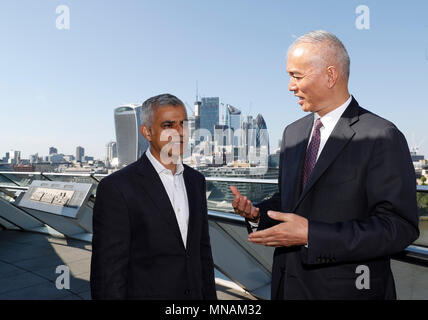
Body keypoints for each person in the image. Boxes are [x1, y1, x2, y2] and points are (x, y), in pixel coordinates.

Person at [231, 30, 419, 300]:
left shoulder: (382, 136)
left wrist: (311, 234)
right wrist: (258, 215)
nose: (289, 86)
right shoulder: (292, 133)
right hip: (286, 288)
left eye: (296, 76)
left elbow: (398, 227)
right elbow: (292, 201)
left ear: (330, 75)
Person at [91, 93, 217, 300]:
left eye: (183, 124)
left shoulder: (196, 181)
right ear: (147, 132)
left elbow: (203, 253)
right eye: (168, 125)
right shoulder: (116, 187)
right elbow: (108, 274)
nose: (179, 133)